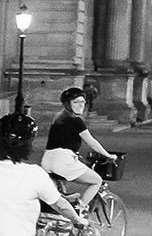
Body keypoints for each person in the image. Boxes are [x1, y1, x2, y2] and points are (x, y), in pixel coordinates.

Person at [41, 85, 114, 220]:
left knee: (59, 195)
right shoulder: (75, 120)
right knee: (96, 181)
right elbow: (91, 141)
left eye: (83, 102)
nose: (81, 105)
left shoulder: (58, 116)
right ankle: (78, 212)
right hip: (63, 161)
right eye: (76, 102)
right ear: (68, 104)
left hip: (48, 159)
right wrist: (108, 155)